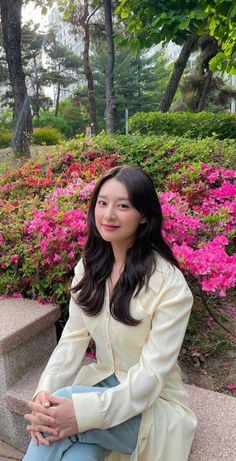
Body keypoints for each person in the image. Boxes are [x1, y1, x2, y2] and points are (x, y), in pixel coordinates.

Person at [23, 165, 197, 461]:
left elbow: (150, 378)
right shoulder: (89, 268)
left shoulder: (169, 286)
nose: (108, 215)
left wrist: (81, 413)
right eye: (102, 203)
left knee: (60, 409)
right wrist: (43, 393)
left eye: (123, 206)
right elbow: (72, 340)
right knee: (79, 454)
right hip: (105, 386)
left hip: (153, 405)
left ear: (144, 215)